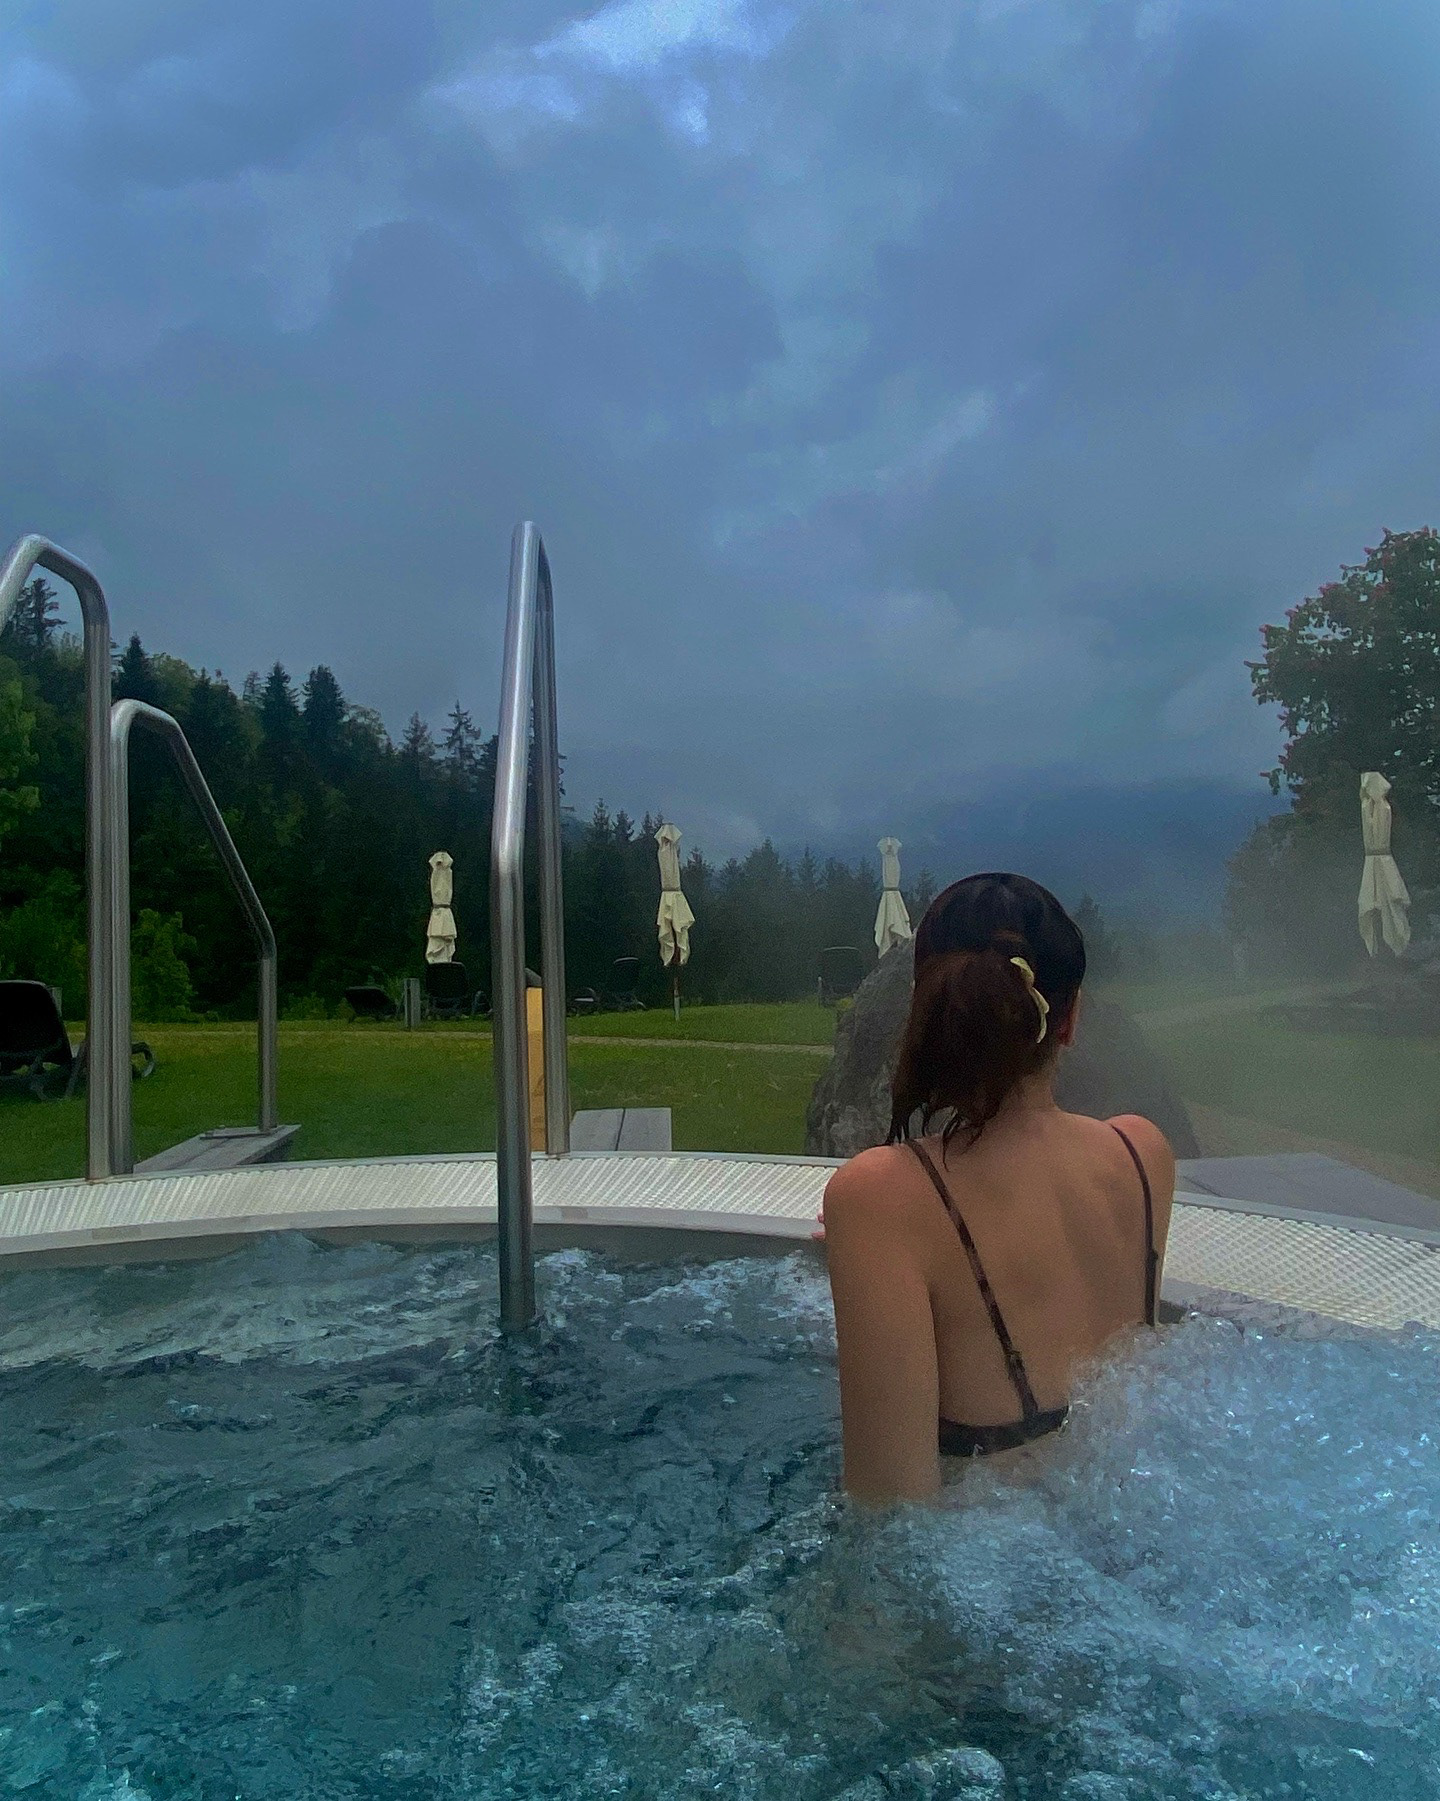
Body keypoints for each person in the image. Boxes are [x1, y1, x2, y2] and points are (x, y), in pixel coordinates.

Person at [821, 872, 1174, 1504]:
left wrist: (873, 1234)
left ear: (929, 1013)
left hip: (998, 1545)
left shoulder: (880, 1197)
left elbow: (889, 1511)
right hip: (1142, 1500)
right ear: (1069, 1019)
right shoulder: (1142, 1151)